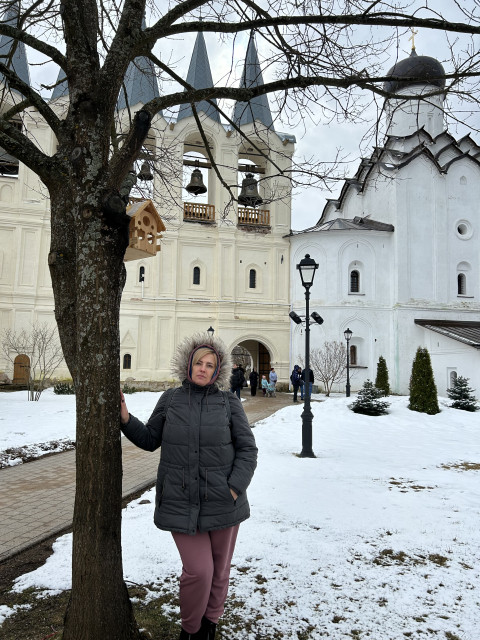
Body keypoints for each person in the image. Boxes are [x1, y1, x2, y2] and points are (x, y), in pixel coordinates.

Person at [120, 333, 258, 640]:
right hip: (181, 501)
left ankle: (210, 624)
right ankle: (191, 630)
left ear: (217, 370)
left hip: (224, 501)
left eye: (210, 365)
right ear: (188, 364)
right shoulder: (170, 399)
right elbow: (149, 439)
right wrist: (126, 418)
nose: (203, 368)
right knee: (199, 571)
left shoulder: (228, 402)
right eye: (199, 362)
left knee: (220, 570)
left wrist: (233, 488)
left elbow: (247, 449)